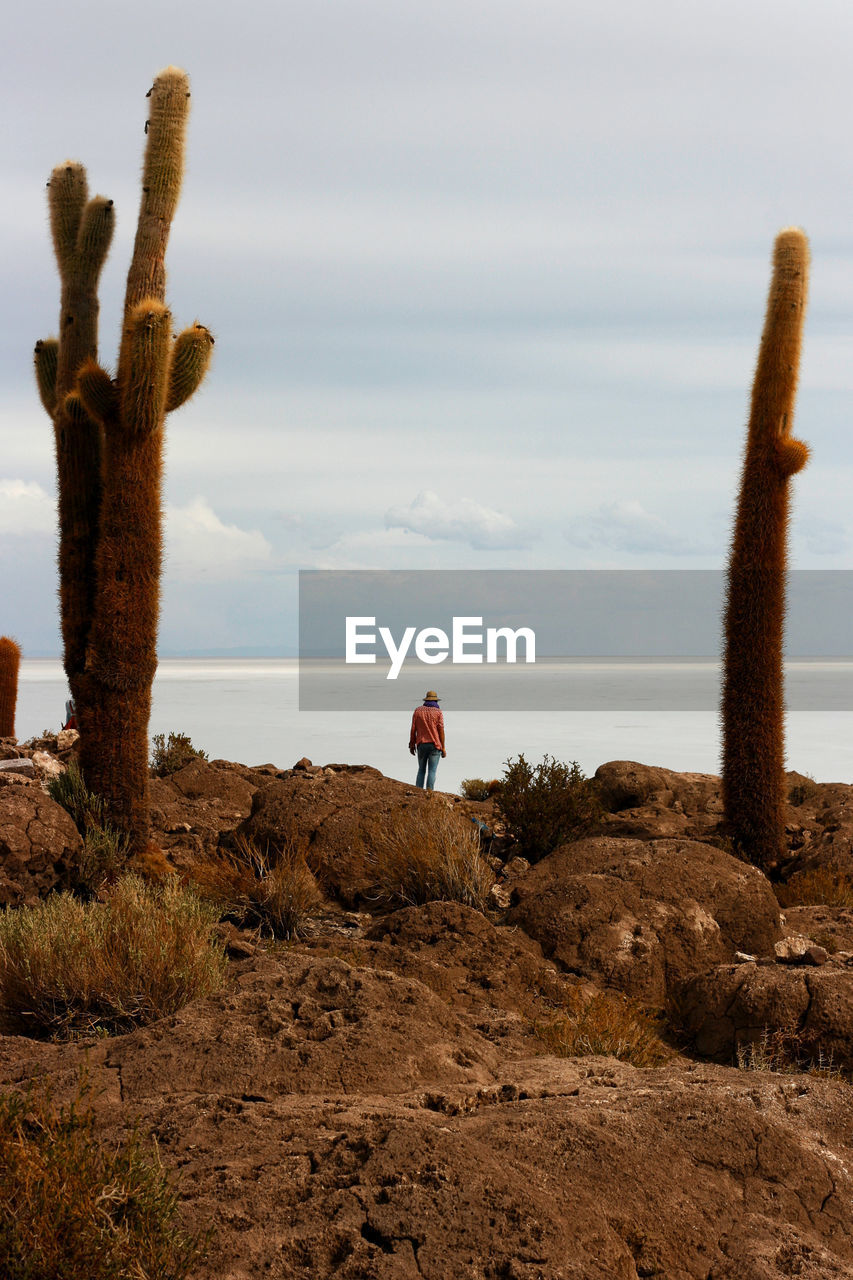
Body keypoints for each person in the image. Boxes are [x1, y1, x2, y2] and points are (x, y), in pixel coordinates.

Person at [409, 690, 446, 791]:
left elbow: (413, 729)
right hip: (435, 745)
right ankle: (429, 792)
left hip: (421, 744)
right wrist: (443, 748)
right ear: (436, 701)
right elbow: (441, 730)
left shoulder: (418, 711)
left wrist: (412, 744)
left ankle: (418, 791)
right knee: (432, 771)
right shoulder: (438, 712)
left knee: (421, 770)